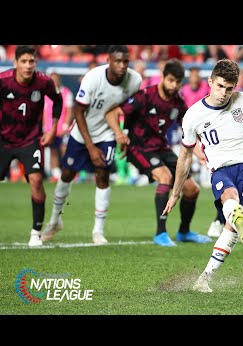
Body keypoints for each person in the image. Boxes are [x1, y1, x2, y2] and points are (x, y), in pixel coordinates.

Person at [162, 59, 243, 292]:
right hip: (221, 168)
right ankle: (235, 214)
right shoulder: (193, 115)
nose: (224, 93)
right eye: (220, 86)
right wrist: (175, 192)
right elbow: (185, 156)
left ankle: (205, 278)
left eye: (229, 88)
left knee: (231, 223)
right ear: (210, 82)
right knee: (230, 198)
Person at [42, 45, 142, 244]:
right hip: (82, 133)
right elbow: (78, 112)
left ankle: (98, 231)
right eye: (117, 61)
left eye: (125, 62)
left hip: (106, 133)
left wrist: (123, 134)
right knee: (67, 174)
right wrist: (90, 147)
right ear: (108, 61)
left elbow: (128, 110)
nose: (122, 66)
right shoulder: (92, 78)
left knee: (102, 173)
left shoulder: (134, 81)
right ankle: (54, 221)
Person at [105, 59, 211, 246]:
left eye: (178, 82)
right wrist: (119, 133)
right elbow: (112, 113)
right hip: (139, 148)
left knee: (192, 189)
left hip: (161, 148)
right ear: (163, 77)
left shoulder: (178, 102)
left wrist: (201, 153)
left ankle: (184, 232)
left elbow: (188, 132)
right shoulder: (145, 96)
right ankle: (160, 233)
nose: (174, 85)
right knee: (165, 176)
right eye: (170, 80)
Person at [0, 45, 63, 247]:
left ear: (36, 62)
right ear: (15, 63)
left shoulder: (44, 82)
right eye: (24, 61)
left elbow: (58, 101)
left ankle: (36, 232)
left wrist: (53, 128)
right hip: (4, 140)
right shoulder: (3, 82)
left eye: (31, 61)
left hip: (31, 140)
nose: (28, 66)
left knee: (36, 180)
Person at [43, 71, 74, 182]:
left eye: (56, 79)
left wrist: (65, 126)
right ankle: (56, 173)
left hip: (61, 129)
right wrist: (44, 128)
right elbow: (43, 112)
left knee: (65, 150)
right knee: (53, 151)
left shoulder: (66, 93)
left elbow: (70, 111)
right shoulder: (45, 94)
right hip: (49, 129)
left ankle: (69, 172)